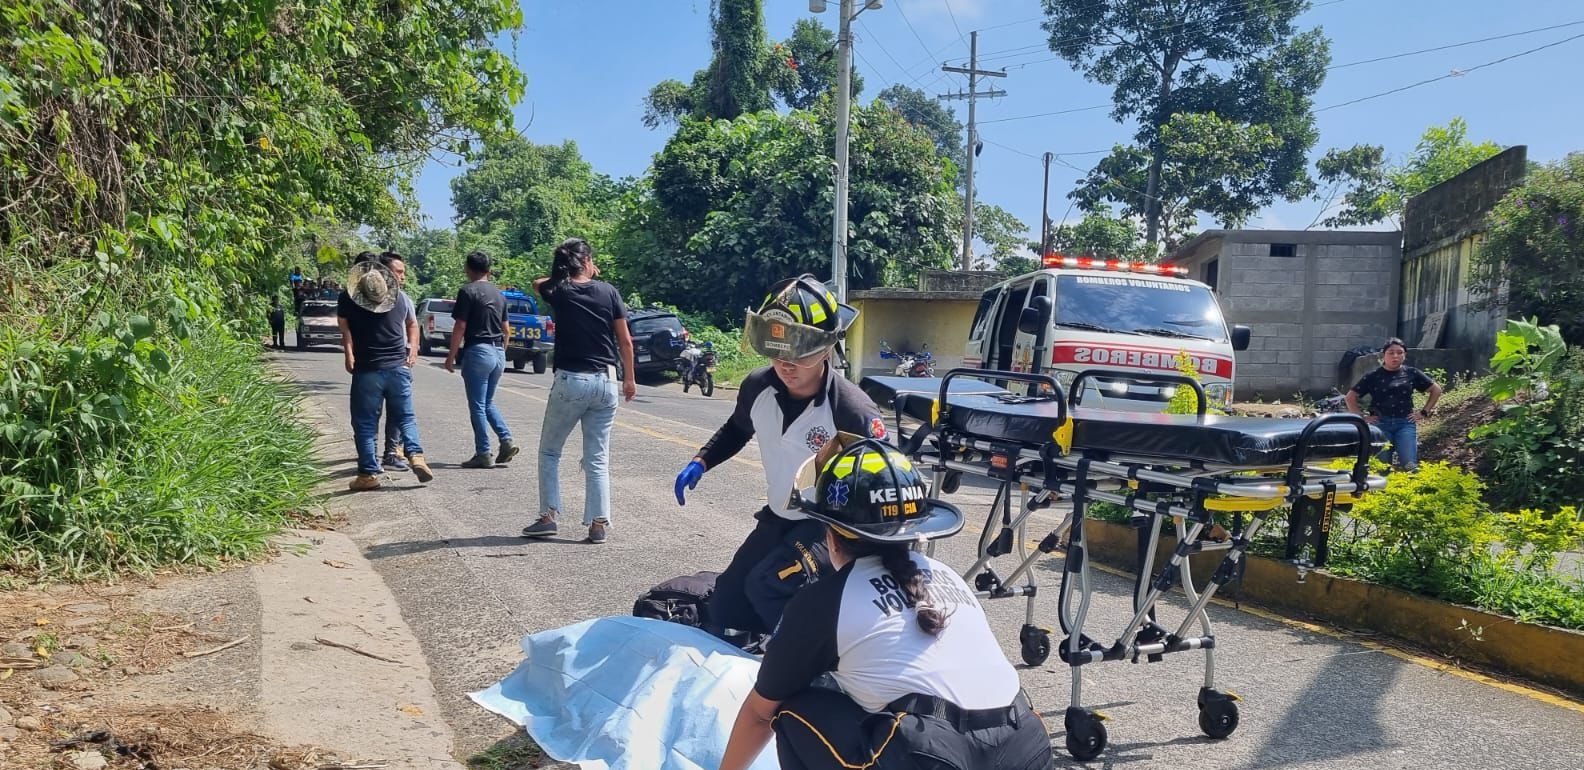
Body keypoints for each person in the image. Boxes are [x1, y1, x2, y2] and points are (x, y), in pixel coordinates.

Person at [718, 437, 1054, 770]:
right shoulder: (946, 575)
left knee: (794, 707)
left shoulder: (826, 599)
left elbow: (758, 714)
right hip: (1026, 747)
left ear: (831, 536)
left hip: (937, 757)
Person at [674, 274, 887, 639]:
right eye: (777, 352)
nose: (785, 364)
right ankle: (771, 651)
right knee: (726, 604)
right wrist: (701, 460)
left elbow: (885, 483)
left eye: (798, 353)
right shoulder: (757, 387)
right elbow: (737, 429)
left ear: (826, 349)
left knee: (769, 586)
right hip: (779, 516)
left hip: (829, 526)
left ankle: (805, 669)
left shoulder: (851, 410)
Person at [521, 238, 636, 545]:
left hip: (572, 380)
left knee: (549, 451)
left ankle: (548, 517)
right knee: (597, 457)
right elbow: (625, 341)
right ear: (587, 261)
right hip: (607, 382)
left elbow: (537, 283)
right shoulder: (608, 291)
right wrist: (630, 380)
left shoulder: (559, 290)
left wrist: (568, 272)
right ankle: (598, 525)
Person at [337, 256, 434, 491]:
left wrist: (349, 354)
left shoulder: (349, 300)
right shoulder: (400, 298)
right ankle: (416, 455)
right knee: (406, 417)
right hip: (399, 368)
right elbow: (412, 324)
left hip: (368, 369)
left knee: (365, 423)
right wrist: (412, 349)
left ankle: (368, 474)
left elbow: (344, 328)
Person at [444, 250, 518, 468]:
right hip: (497, 353)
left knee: (477, 405)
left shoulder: (468, 291)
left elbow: (460, 325)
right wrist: (501, 352)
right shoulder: (499, 294)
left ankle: (483, 453)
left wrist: (451, 356)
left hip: (479, 351)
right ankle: (505, 441)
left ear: (468, 268)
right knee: (487, 402)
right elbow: (506, 329)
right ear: (489, 270)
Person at [1345, 337, 1443, 471]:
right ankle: (1383, 491)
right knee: (1382, 468)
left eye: (1399, 352)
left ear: (1404, 355)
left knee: (1410, 465)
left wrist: (1424, 412)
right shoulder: (1373, 376)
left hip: (1405, 423)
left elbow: (1436, 390)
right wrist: (1362, 418)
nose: (1395, 356)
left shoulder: (1411, 373)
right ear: (1383, 355)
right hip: (1380, 425)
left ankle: (1413, 489)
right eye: (1391, 352)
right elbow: (1350, 397)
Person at [376, 251, 419, 472]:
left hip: (398, 361)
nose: (402, 277)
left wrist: (413, 349)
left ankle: (391, 453)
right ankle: (369, 459)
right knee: (371, 412)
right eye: (398, 272)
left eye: (403, 272)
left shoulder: (404, 299)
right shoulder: (367, 298)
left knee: (397, 410)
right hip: (373, 362)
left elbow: (412, 324)